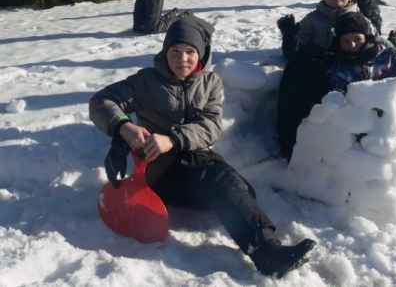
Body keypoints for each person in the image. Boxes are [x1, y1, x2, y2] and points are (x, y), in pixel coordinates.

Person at [89, 16, 317, 278]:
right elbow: (101, 101)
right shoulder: (147, 82)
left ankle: (221, 204)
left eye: (189, 52)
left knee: (243, 191)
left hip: (195, 157)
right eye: (174, 51)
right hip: (159, 169)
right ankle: (267, 253)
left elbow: (210, 125)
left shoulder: (210, 83)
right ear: (165, 52)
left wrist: (173, 139)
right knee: (222, 181)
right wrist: (123, 128)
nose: (182, 59)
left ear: (201, 54)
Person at [276, 0, 376, 160]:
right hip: (320, 70)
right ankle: (289, 140)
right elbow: (293, 54)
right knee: (294, 73)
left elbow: (378, 47)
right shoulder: (313, 20)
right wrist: (290, 38)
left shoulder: (361, 20)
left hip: (351, 73)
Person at [327, 12, 396, 95]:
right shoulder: (339, 70)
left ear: (366, 38)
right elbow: (337, 99)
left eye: (358, 39)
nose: (352, 45)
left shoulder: (390, 56)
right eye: (345, 41)